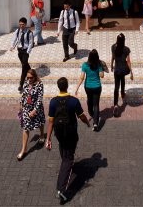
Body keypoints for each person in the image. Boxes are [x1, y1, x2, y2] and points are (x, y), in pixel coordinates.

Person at [46, 76, 92, 204]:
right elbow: (82, 116)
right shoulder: (73, 101)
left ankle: (64, 162)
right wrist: (87, 123)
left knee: (63, 150)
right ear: (67, 86)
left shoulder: (53, 102)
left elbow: (50, 122)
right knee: (68, 159)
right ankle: (61, 188)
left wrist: (48, 139)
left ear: (58, 87)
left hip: (59, 134)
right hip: (71, 133)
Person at [17, 68, 46, 161]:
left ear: (35, 77)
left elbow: (39, 98)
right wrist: (21, 104)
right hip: (26, 109)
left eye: (31, 78)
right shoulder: (26, 83)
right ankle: (24, 149)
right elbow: (24, 95)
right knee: (25, 128)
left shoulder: (39, 85)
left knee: (40, 122)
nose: (29, 79)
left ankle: (42, 135)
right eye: (28, 78)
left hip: (36, 109)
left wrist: (35, 110)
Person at [75, 49, 108, 131]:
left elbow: (82, 78)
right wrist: (101, 68)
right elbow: (102, 76)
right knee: (96, 105)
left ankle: (91, 113)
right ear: (97, 57)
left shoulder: (85, 65)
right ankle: (96, 123)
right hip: (97, 87)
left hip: (88, 87)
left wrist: (77, 88)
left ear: (89, 57)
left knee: (89, 100)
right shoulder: (99, 65)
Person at [109, 33, 133, 116]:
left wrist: (111, 65)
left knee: (116, 86)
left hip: (117, 70)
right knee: (122, 80)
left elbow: (112, 57)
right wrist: (131, 72)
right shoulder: (126, 49)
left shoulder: (113, 47)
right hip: (123, 69)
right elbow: (129, 61)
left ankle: (115, 104)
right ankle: (122, 93)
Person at [10, 17, 36, 92]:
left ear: (25, 24)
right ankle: (32, 73)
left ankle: (21, 84)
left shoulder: (29, 32)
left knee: (24, 67)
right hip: (20, 51)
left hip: (25, 51)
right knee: (25, 65)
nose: (21, 26)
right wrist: (12, 46)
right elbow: (14, 39)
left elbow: (31, 43)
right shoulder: (17, 31)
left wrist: (27, 52)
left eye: (23, 24)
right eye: (20, 24)